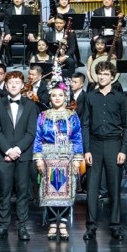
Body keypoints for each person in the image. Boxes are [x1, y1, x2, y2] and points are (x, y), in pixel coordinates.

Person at [80, 64, 127, 243]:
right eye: (100, 74)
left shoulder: (120, 98)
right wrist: (86, 149)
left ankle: (115, 225)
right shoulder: (90, 96)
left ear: (112, 77)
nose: (102, 77)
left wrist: (124, 150)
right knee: (92, 188)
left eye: (106, 74)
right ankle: (91, 226)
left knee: (114, 187)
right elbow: (85, 124)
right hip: (94, 144)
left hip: (114, 143)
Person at [0, 70, 39, 241]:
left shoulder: (31, 105)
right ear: (5, 85)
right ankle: (3, 226)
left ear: (22, 85)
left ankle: (22, 227)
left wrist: (17, 150)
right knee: (4, 192)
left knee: (23, 192)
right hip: (3, 155)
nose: (13, 86)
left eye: (17, 83)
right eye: (10, 82)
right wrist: (8, 150)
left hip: (23, 155)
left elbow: (31, 132)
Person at [34, 83, 84, 241]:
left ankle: (62, 224)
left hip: (67, 158)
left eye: (60, 95)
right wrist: (38, 158)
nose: (57, 98)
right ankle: (51, 224)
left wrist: (77, 159)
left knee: (65, 192)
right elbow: (38, 137)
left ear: (65, 97)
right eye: (54, 95)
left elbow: (77, 137)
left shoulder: (72, 115)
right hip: (48, 157)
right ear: (50, 98)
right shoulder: (43, 116)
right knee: (50, 192)